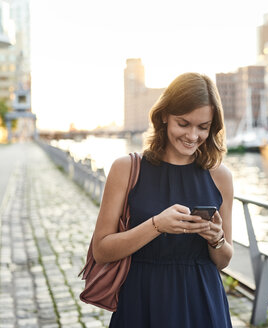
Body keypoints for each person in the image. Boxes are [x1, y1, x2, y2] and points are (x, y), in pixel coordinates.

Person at [92, 72, 234, 327]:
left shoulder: (220, 176)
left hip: (202, 303)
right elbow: (101, 250)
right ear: (164, 116)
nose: (193, 136)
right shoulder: (126, 169)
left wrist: (216, 239)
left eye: (203, 127)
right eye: (184, 123)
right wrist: (156, 225)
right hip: (142, 301)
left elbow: (223, 260)